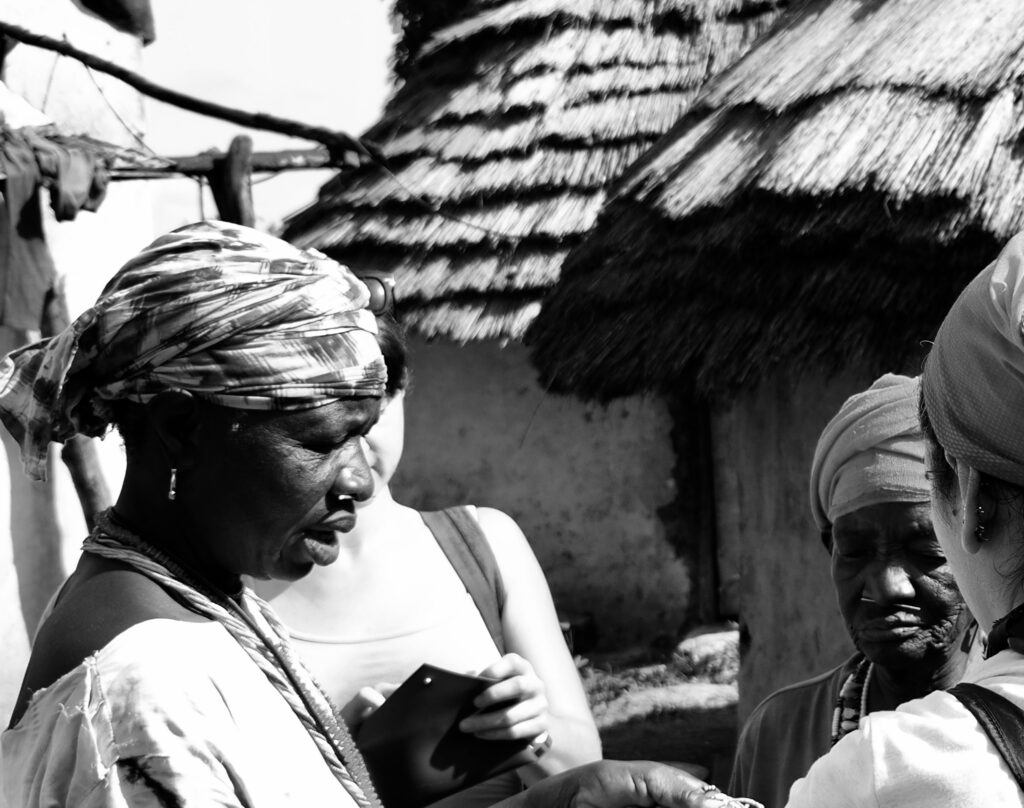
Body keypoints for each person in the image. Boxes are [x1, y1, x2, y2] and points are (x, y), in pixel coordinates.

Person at [0, 220, 726, 808]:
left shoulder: (199, 612)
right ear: (182, 429)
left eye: (364, 432)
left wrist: (560, 797)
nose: (356, 479)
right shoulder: (142, 686)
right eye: (319, 441)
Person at [252, 311, 602, 805]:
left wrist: (529, 727)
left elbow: (585, 772)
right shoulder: (232, 593)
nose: (358, 432)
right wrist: (334, 767)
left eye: (375, 400)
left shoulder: (483, 547)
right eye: (326, 409)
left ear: (402, 395)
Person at [728, 374, 973, 807]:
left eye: (924, 550)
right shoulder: (778, 736)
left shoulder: (1012, 723)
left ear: (974, 543)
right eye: (856, 552)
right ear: (830, 551)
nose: (885, 587)